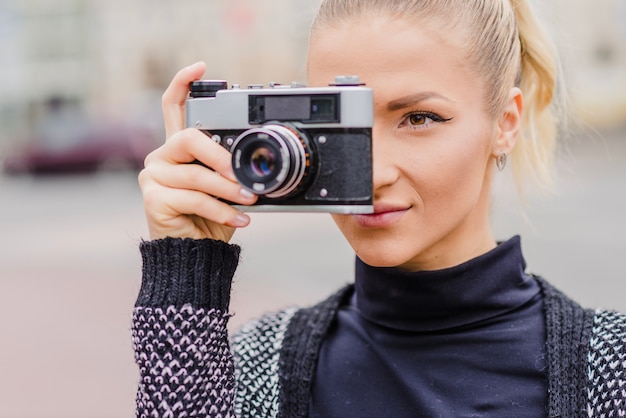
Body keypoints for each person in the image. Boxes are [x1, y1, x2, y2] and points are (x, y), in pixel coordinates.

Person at [132, 0, 626, 416]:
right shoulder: (257, 364)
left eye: (418, 118)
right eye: (342, 124)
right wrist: (186, 274)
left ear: (506, 122)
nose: (372, 174)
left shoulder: (610, 370)